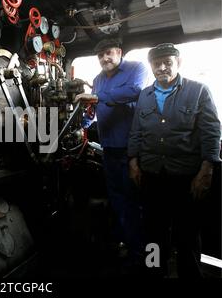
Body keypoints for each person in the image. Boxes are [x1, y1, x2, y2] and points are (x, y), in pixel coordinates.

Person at [128, 43, 221, 277]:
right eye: (156, 64)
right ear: (151, 67)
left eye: (167, 62)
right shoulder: (145, 95)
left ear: (178, 63)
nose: (162, 68)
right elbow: (136, 132)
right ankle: (153, 273)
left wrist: (207, 170)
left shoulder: (199, 90)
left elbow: (211, 132)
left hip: (186, 178)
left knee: (187, 236)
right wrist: (133, 162)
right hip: (151, 176)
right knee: (153, 234)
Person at [81, 38, 149, 269]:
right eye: (100, 55)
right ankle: (124, 244)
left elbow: (134, 92)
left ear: (119, 52)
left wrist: (98, 98)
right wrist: (84, 120)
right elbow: (94, 108)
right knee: (117, 199)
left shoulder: (136, 69)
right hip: (109, 149)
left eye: (108, 53)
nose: (104, 58)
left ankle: (141, 254)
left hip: (132, 151)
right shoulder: (98, 79)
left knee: (134, 202)